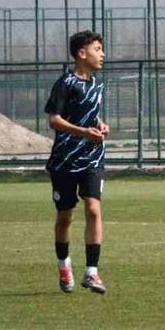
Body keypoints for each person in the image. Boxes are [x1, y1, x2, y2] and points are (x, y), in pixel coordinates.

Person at [44, 30, 111, 294]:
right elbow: (55, 120)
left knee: (93, 209)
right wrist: (83, 132)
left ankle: (92, 273)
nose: (102, 54)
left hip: (92, 157)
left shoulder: (97, 85)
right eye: (97, 49)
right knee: (65, 216)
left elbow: (90, 115)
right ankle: (64, 266)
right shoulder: (66, 83)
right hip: (65, 160)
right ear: (82, 53)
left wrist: (101, 125)